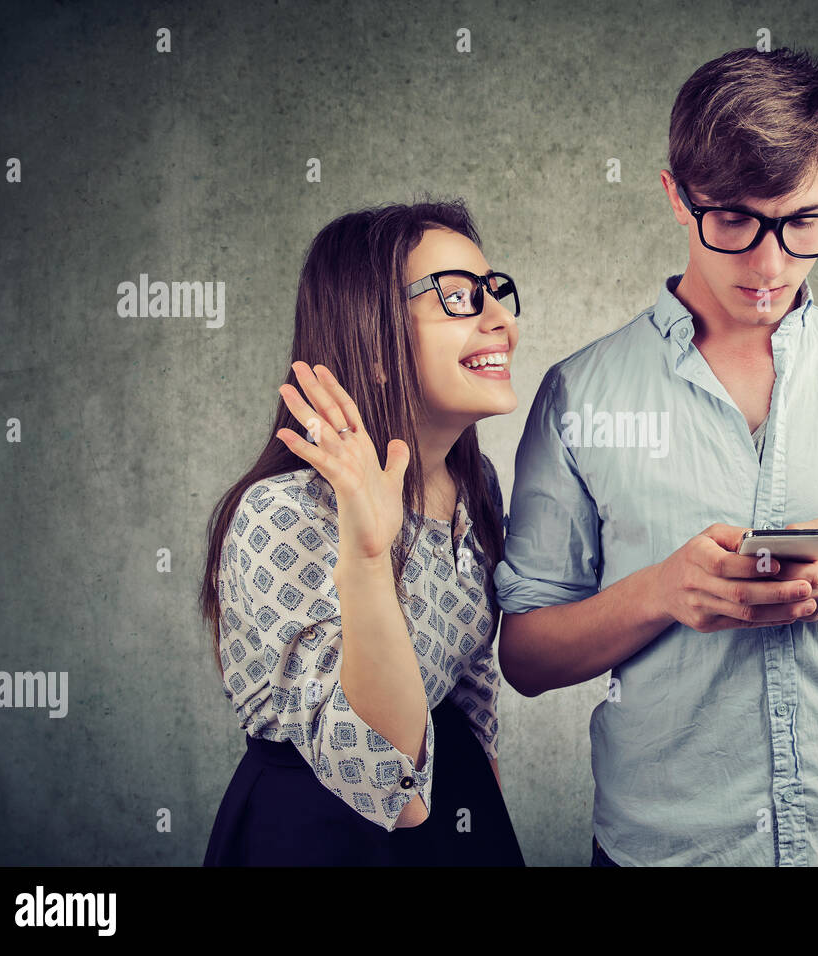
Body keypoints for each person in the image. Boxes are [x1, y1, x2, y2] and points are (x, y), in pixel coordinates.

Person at [493, 47, 818, 866]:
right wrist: (661, 592)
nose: (769, 266)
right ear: (675, 198)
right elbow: (527, 657)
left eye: (803, 221)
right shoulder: (580, 394)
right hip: (662, 851)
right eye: (733, 218)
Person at [199, 199, 526, 865]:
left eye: (496, 292)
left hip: (450, 804)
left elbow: (468, 677)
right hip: (324, 831)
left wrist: (485, 813)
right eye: (459, 297)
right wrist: (369, 557)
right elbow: (390, 792)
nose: (503, 320)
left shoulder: (474, 484)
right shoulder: (281, 513)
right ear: (374, 343)